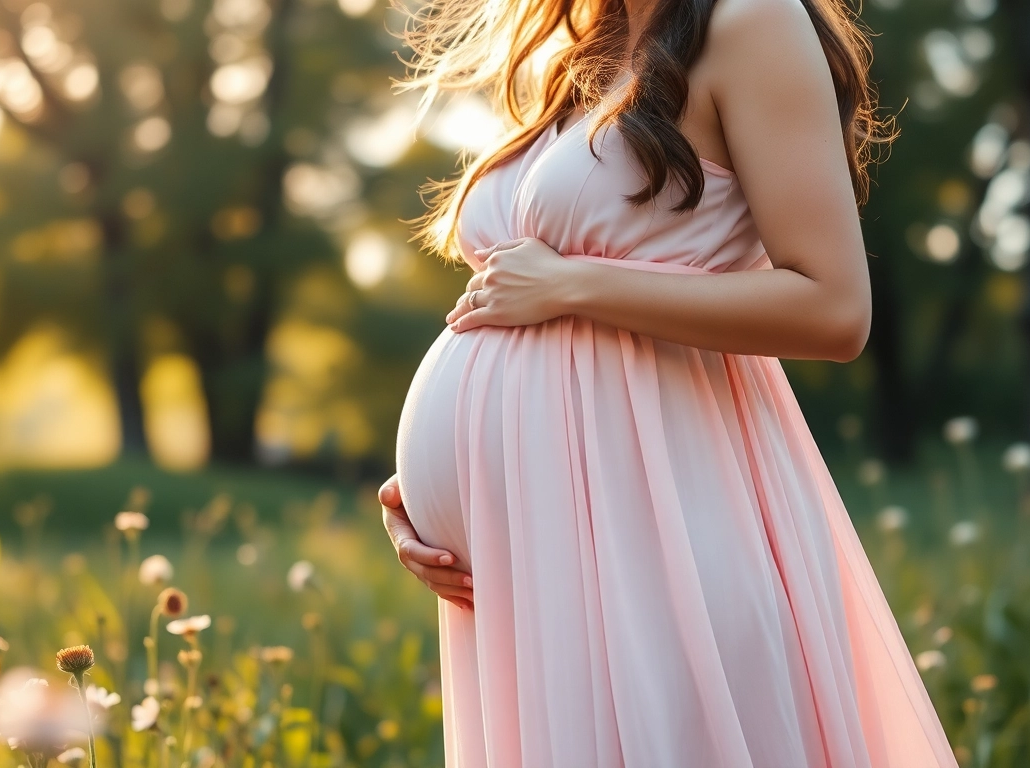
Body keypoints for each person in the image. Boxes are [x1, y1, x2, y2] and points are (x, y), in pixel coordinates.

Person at [379, 0, 960, 763]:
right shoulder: (586, 52)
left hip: (663, 537)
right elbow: (522, 303)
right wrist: (437, 493)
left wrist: (574, 284)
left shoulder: (752, 21)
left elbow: (834, 307)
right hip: (532, 567)